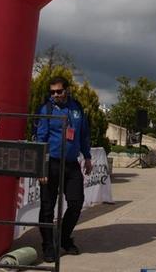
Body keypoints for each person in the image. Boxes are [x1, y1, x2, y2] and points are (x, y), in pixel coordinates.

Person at [35, 77, 92, 263]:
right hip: (51, 164)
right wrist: (41, 168)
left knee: (76, 203)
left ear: (66, 90)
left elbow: (83, 134)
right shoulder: (47, 109)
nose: (55, 95)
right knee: (47, 208)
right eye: (52, 92)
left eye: (59, 91)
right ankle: (48, 246)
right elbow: (40, 140)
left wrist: (88, 156)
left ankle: (64, 239)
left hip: (71, 163)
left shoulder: (76, 107)